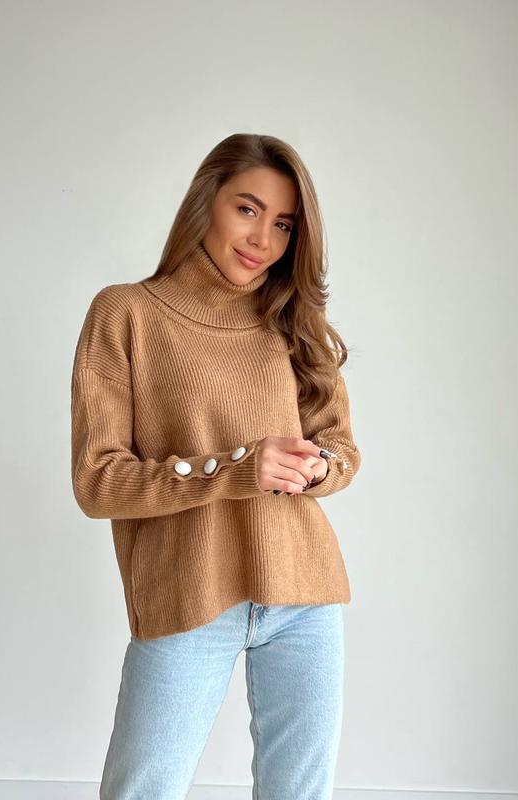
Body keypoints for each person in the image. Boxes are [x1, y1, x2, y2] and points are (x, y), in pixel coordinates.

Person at [70, 132, 362, 800]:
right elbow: (97, 481)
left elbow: (342, 447)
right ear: (207, 201)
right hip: (187, 594)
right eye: (248, 209)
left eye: (283, 224)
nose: (263, 238)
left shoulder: (294, 321)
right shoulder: (127, 313)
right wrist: (236, 468)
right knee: (143, 791)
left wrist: (316, 467)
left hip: (305, 596)